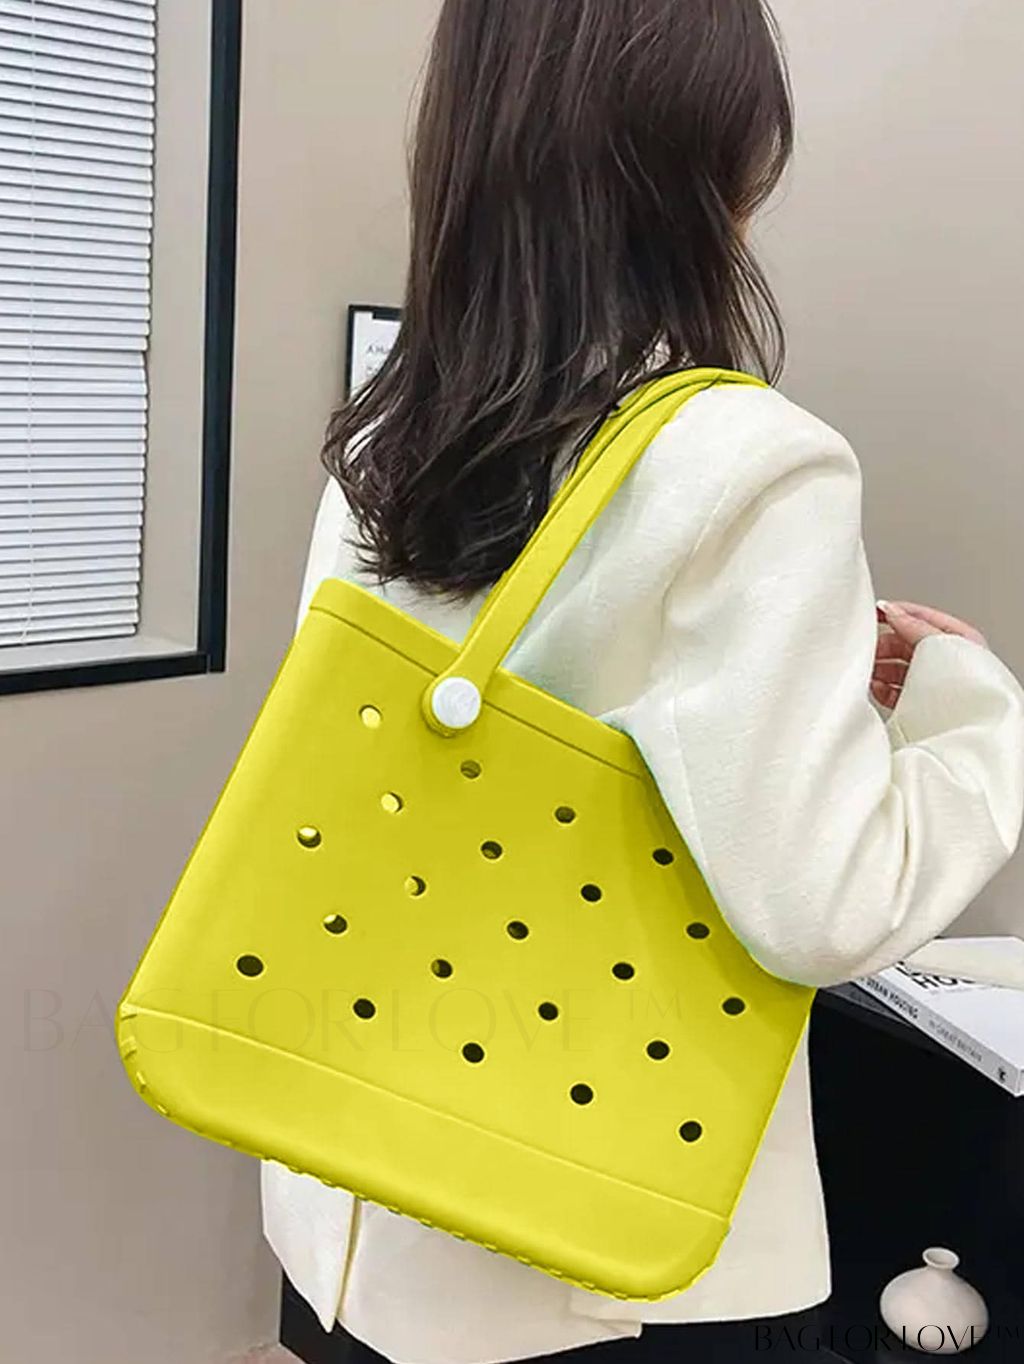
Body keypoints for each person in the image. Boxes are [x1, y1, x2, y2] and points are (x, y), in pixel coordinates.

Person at [261, 2, 1024, 1361]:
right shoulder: (749, 460)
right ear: (709, 157)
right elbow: (828, 910)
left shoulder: (385, 444)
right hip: (596, 1252)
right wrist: (970, 711)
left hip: (357, 1200)